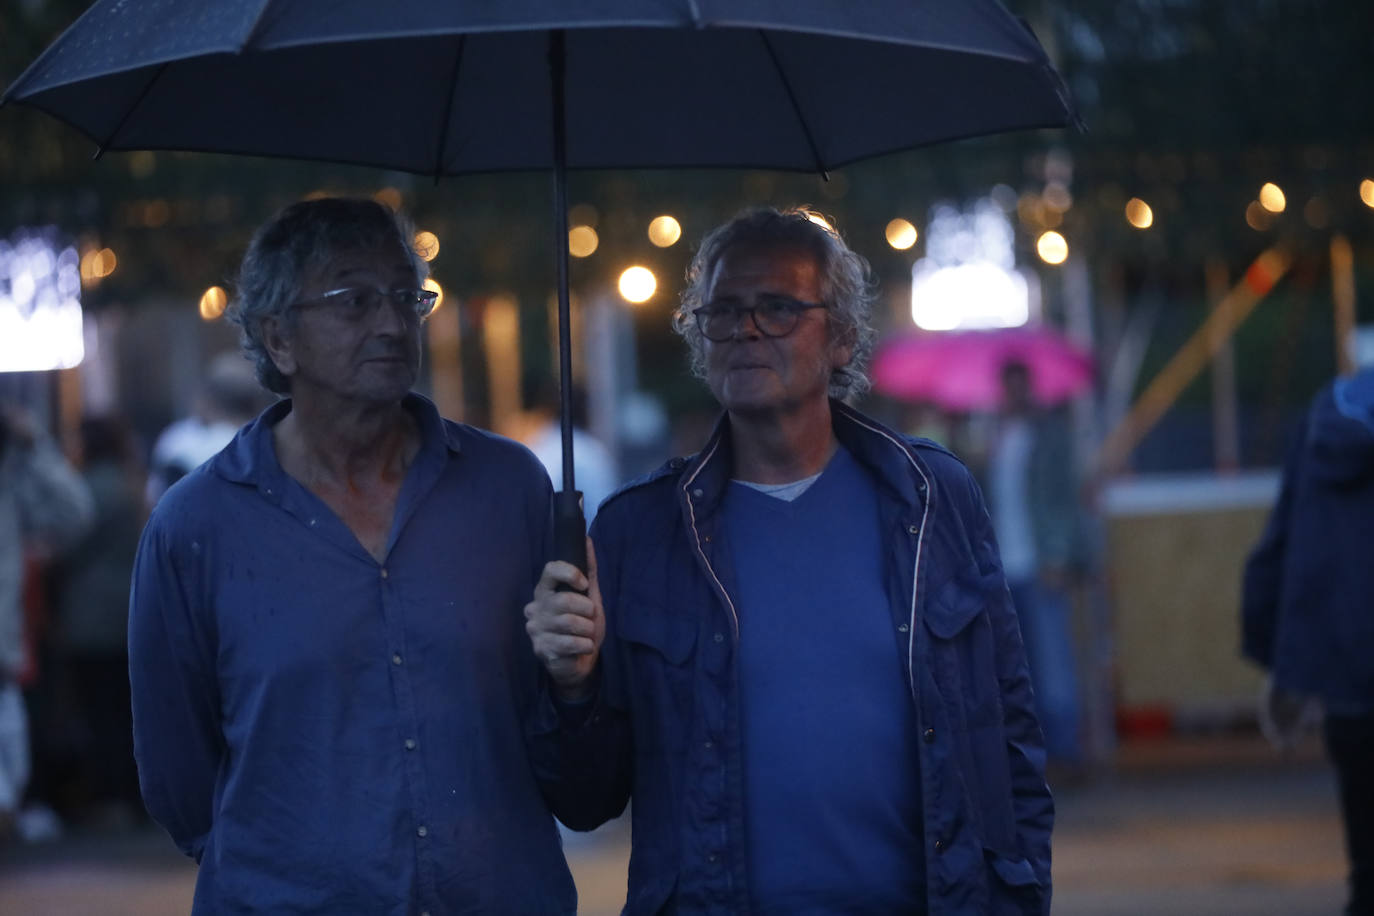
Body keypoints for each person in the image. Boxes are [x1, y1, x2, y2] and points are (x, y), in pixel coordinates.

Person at [526, 207, 1054, 914]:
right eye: (722, 310)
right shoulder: (637, 532)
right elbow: (586, 799)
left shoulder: (932, 499)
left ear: (840, 337)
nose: (745, 328)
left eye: (777, 307)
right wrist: (571, 687)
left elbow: (1010, 739)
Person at [128, 198, 579, 913]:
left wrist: (579, 682)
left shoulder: (509, 490)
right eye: (354, 300)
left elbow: (576, 761)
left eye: (407, 297)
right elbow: (180, 781)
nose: (393, 324)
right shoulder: (197, 526)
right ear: (279, 339)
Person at [1242, 366, 1374, 916]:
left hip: (1349, 678)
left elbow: (1281, 543)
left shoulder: (1328, 409)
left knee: (1367, 863)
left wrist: (1280, 664)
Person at [982, 359, 1086, 767]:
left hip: (1040, 562)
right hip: (1004, 568)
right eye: (1008, 387)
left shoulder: (1049, 435)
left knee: (1053, 660)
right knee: (1015, 665)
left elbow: (1064, 497)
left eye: (1019, 386)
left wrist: (1058, 555)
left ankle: (1065, 748)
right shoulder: (998, 438)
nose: (1014, 394)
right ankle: (1029, 752)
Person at [0, 404, 93, 841]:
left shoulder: (11, 474)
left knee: (10, 771)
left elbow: (73, 512)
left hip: (4, 647)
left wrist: (32, 446)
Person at [51, 416, 146, 825]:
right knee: (128, 711)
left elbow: (65, 545)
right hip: (127, 611)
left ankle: (112, 797)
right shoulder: (130, 483)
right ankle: (134, 794)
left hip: (92, 617)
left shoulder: (89, 488)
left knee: (100, 711)